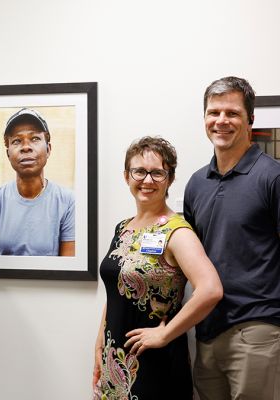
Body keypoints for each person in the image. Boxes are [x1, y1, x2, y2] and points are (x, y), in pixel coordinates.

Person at [93, 136, 222, 399]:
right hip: (114, 354)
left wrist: (164, 335)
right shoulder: (123, 227)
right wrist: (99, 342)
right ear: (127, 176)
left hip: (155, 361)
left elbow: (211, 290)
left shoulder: (177, 231)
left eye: (157, 173)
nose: (147, 180)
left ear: (170, 179)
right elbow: (117, 290)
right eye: (139, 171)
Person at [184, 76, 280, 399]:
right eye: (213, 113)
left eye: (232, 113)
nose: (221, 121)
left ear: (250, 119)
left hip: (258, 332)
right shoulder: (196, 184)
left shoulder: (273, 177)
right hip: (207, 335)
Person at [0, 108, 75, 256]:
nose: (26, 147)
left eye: (34, 138)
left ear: (48, 149)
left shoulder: (69, 202)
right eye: (16, 141)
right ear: (8, 153)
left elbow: (69, 269)